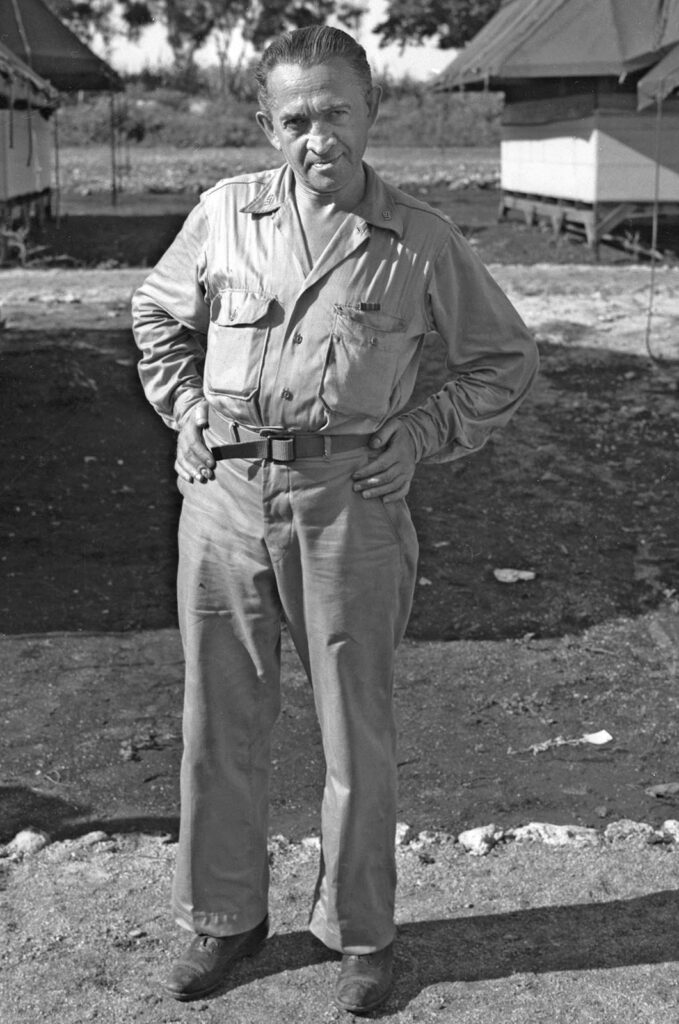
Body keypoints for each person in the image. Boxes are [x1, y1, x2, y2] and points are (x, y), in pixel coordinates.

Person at [132, 24, 538, 1014]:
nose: (320, 137)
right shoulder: (224, 215)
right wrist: (186, 411)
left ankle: (361, 934)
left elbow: (504, 359)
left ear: (372, 116)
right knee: (219, 722)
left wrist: (424, 431)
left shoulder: (417, 239)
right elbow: (155, 318)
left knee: (355, 729)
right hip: (224, 502)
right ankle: (226, 919)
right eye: (297, 118)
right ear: (267, 124)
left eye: (338, 114)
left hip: (351, 506)